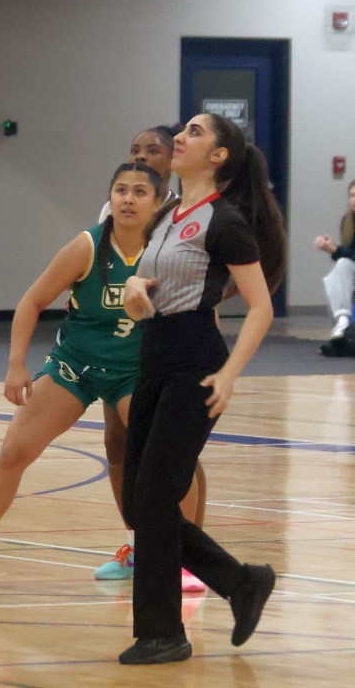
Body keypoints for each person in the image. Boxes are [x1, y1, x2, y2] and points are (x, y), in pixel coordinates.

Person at [117, 114, 286, 665]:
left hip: (197, 361)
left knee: (156, 497)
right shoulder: (167, 214)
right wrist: (137, 290)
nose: (180, 138)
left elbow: (260, 306)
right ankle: (241, 582)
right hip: (155, 354)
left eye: (194, 132)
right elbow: (153, 281)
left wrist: (231, 372)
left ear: (218, 156)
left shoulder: (226, 220)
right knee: (139, 503)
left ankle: (163, 633)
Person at [0, 164, 163, 569]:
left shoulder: (165, 253)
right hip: (76, 365)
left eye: (140, 192)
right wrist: (16, 365)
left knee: (158, 462)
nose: (128, 198)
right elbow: (31, 302)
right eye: (120, 190)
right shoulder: (87, 246)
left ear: (157, 204)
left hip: (134, 372)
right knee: (13, 451)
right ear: (109, 199)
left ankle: (159, 554)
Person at [94, 124, 207, 593]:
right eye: (135, 148)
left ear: (173, 157)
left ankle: (185, 554)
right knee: (119, 445)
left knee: (177, 452)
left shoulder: (190, 212)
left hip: (173, 341)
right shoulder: (113, 208)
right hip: (120, 342)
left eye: (154, 150)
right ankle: (139, 546)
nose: (143, 155)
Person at [314, 178, 355, 355]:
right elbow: (349, 256)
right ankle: (342, 320)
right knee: (338, 271)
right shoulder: (348, 222)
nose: (354, 199)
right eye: (352, 195)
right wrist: (335, 250)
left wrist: (334, 249)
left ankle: (343, 324)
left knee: (344, 263)